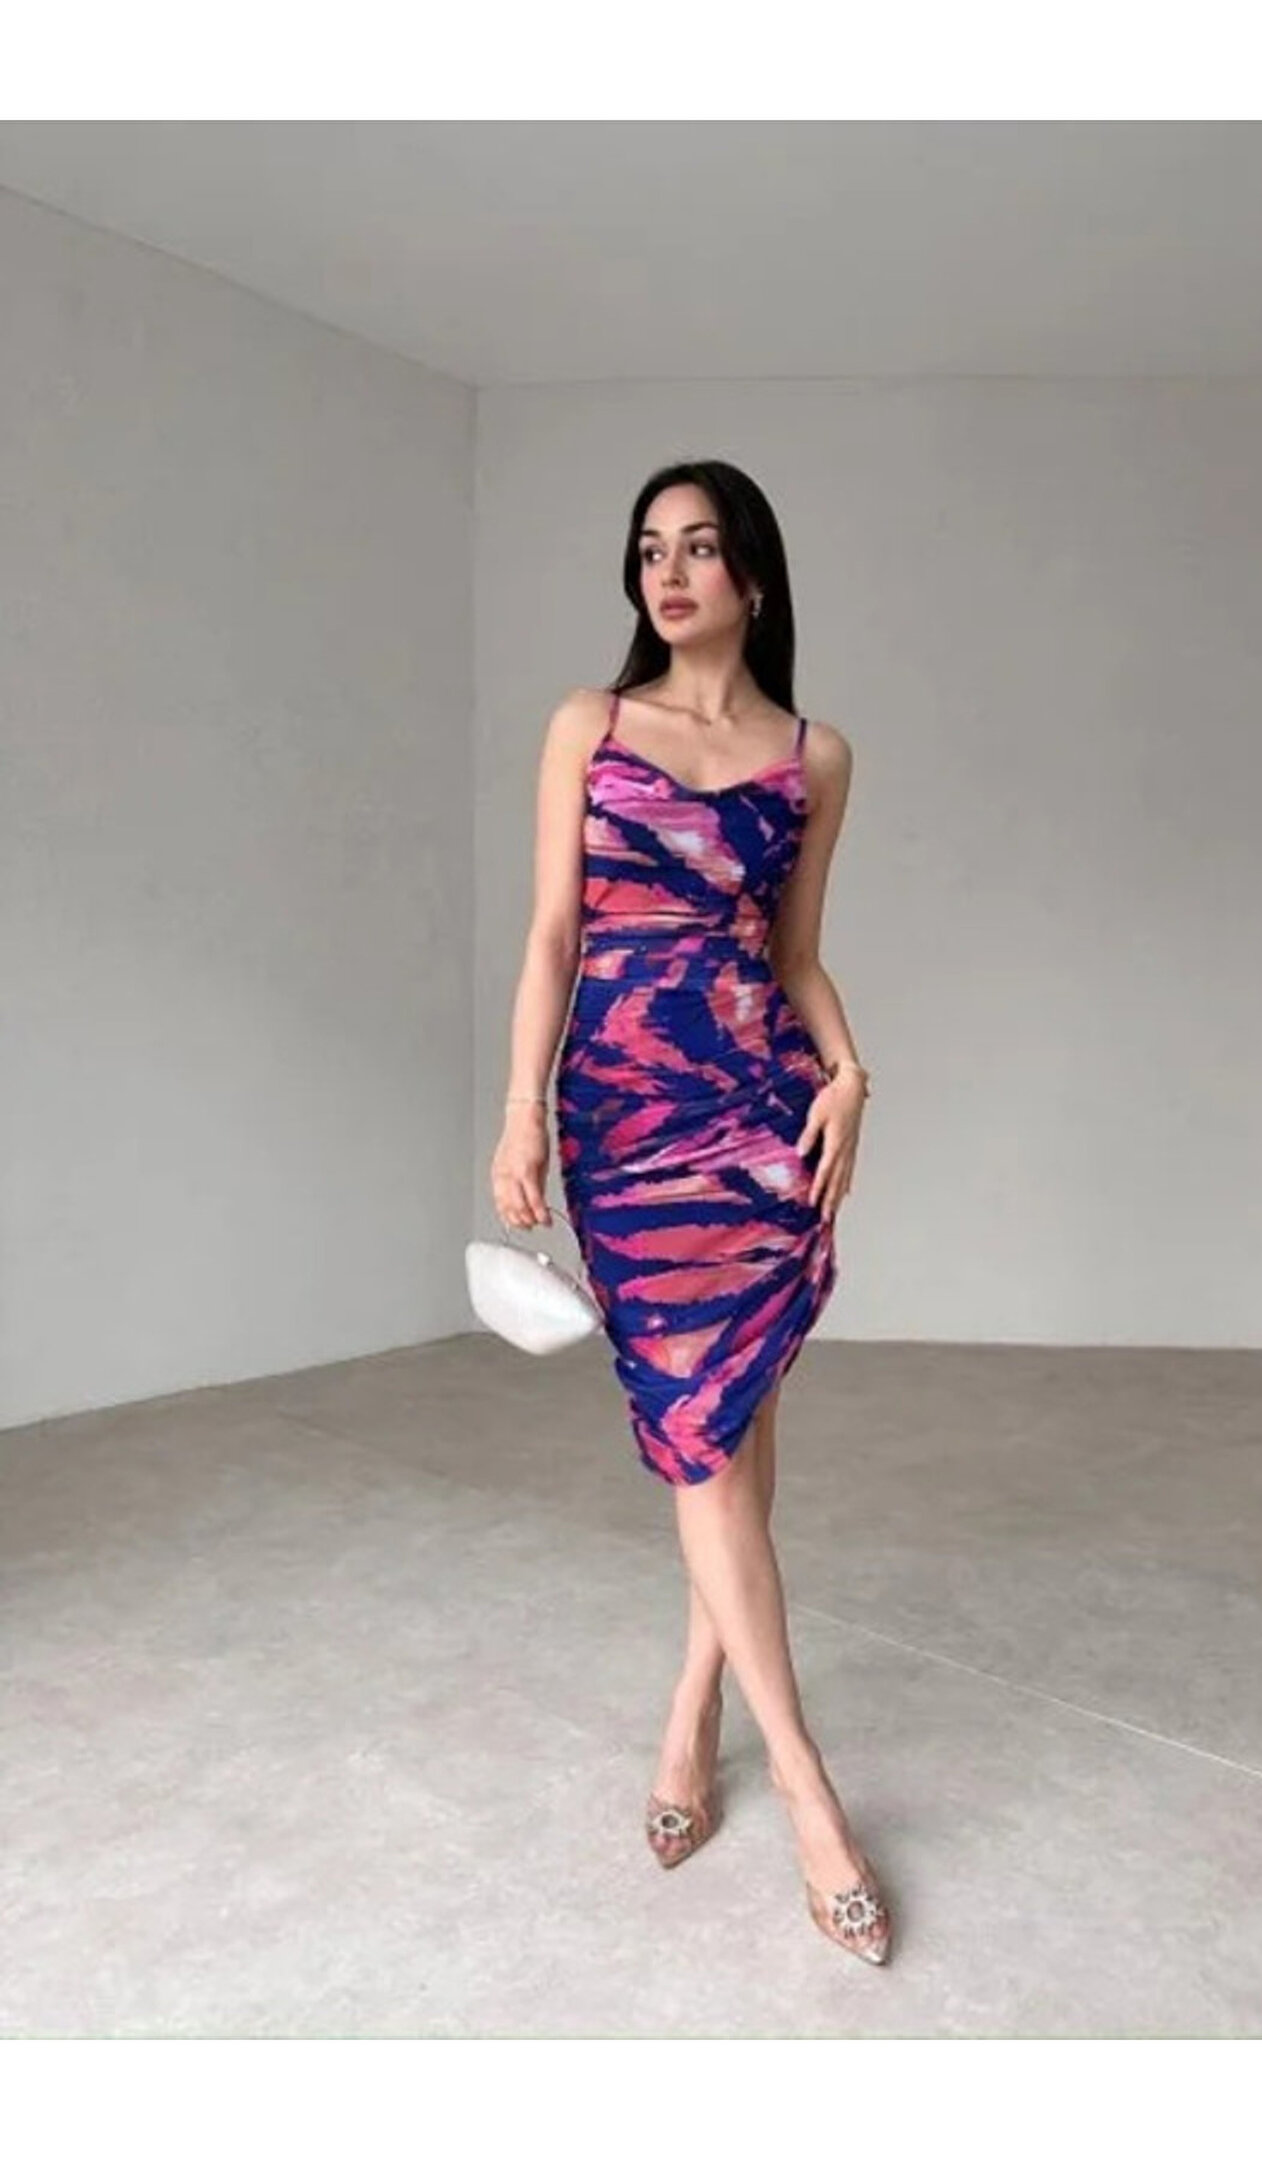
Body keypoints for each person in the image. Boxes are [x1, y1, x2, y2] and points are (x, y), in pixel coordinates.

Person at [489, 458, 891, 1965]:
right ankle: (808, 1791)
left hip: (762, 1120)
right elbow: (552, 932)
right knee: (703, 1446)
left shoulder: (814, 756)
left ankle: (691, 1713)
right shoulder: (588, 726)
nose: (668, 572)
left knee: (732, 1440)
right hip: (624, 1124)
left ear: (753, 578)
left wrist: (851, 1073)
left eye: (700, 548)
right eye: (650, 548)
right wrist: (521, 1109)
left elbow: (795, 955)